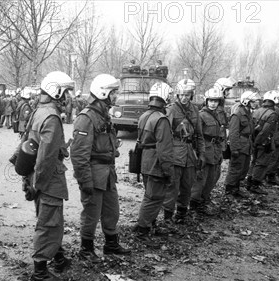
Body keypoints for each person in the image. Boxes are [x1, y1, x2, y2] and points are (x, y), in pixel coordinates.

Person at [71, 74, 131, 263]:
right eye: (113, 93)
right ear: (103, 92)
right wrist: (85, 180)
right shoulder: (87, 118)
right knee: (91, 213)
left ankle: (111, 243)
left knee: (112, 210)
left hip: (107, 173)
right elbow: (79, 153)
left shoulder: (103, 115)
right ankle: (86, 249)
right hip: (94, 173)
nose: (116, 96)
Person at [22, 71, 75, 281]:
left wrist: (31, 180)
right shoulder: (51, 117)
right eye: (66, 92)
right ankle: (40, 271)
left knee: (49, 219)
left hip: (38, 176)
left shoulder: (40, 110)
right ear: (57, 91)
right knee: (49, 222)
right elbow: (46, 158)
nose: (68, 97)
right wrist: (39, 185)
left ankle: (58, 255)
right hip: (48, 179)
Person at [134, 82, 174, 238]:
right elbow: (165, 149)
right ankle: (143, 229)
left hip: (145, 161)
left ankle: (150, 224)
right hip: (156, 163)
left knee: (150, 195)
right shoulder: (161, 119)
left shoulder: (144, 116)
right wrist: (168, 170)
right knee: (154, 198)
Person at [163, 79, 205, 224]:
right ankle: (167, 217)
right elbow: (165, 133)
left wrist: (202, 153)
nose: (184, 98)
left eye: (187, 95)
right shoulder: (171, 109)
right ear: (177, 95)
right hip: (175, 152)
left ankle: (182, 213)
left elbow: (199, 133)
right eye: (181, 95)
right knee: (172, 187)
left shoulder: (194, 110)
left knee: (187, 185)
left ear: (191, 95)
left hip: (190, 153)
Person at [190, 87, 226, 214]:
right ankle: (194, 205)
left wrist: (221, 151)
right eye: (211, 101)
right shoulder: (201, 115)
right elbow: (196, 136)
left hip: (215, 150)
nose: (213, 103)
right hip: (205, 151)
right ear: (206, 101)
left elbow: (220, 136)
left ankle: (203, 201)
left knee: (212, 178)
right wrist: (200, 154)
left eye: (216, 101)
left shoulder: (216, 115)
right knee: (200, 180)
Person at [224, 91, 259, 197]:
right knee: (235, 168)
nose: (255, 103)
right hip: (240, 145)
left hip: (246, 145)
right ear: (246, 101)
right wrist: (234, 149)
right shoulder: (238, 114)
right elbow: (233, 133)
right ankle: (230, 189)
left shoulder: (248, 113)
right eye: (253, 101)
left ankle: (236, 187)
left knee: (244, 168)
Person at [246, 91, 278, 194]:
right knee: (262, 163)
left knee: (254, 161)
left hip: (255, 139)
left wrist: (254, 141)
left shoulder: (257, 110)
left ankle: (249, 181)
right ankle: (255, 184)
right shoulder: (272, 114)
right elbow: (265, 131)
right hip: (263, 141)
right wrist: (259, 142)